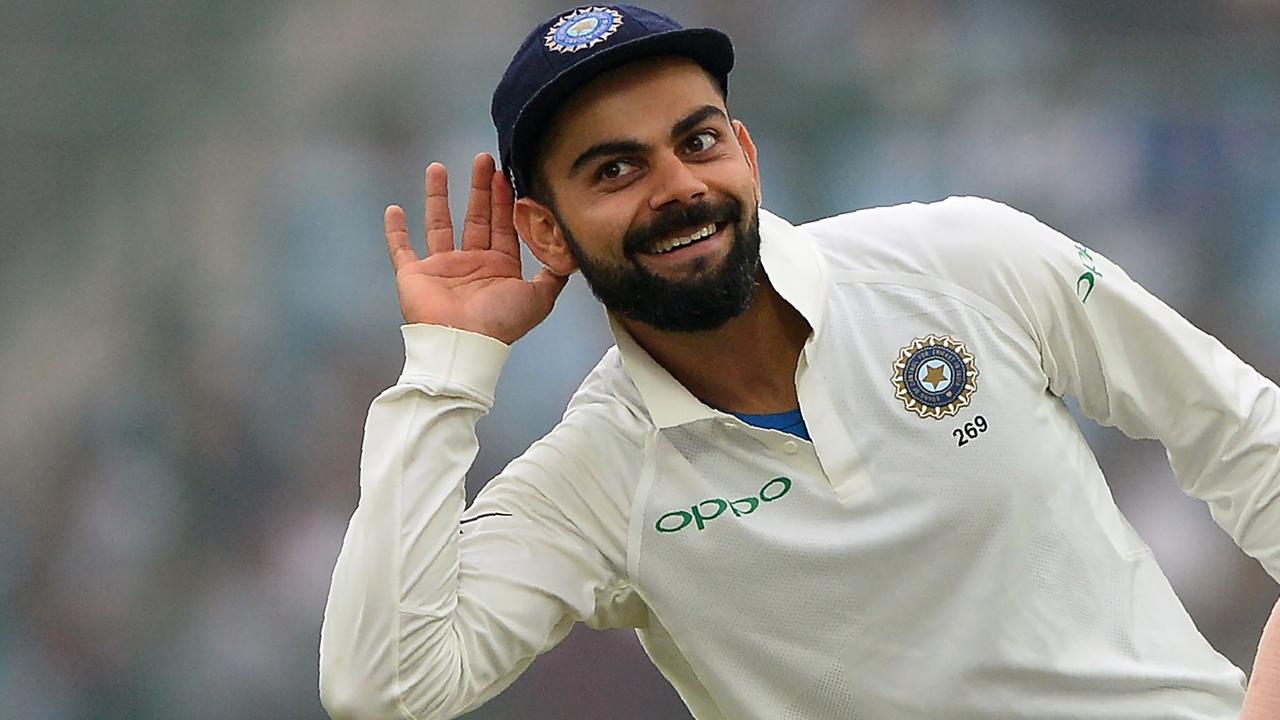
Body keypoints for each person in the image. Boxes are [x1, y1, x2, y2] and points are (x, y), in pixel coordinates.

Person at [319, 5, 1278, 718]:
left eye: (696, 142)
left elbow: (1247, 436)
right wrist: (448, 366)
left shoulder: (965, 260)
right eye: (615, 170)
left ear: (745, 150)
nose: (677, 187)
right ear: (546, 232)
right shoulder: (593, 480)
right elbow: (384, 688)